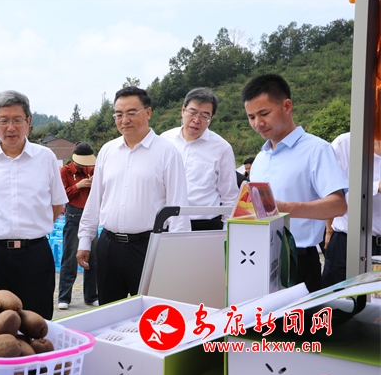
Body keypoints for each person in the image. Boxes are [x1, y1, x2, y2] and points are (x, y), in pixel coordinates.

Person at [77, 86, 190, 306]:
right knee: (109, 311)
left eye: (131, 112)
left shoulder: (167, 152)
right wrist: (85, 240)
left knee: (151, 312)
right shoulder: (108, 151)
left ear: (148, 113)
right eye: (119, 114)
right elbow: (95, 199)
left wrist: (176, 253)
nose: (124, 119)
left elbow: (178, 206)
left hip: (148, 247)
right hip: (108, 246)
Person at [0, 90, 67, 320]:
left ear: (28, 122)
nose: (11, 127)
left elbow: (57, 206)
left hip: (34, 255)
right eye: (4, 120)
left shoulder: (45, 157)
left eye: (17, 120)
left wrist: (32, 227)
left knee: (37, 322)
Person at [242, 73, 347, 292]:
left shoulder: (316, 150)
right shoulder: (260, 158)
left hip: (298, 261)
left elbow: (338, 205)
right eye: (251, 117)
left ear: (287, 106)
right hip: (258, 257)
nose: (258, 123)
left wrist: (286, 208)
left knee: (300, 316)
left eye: (264, 113)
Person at [161, 87, 239, 231]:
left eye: (204, 116)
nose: (197, 120)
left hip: (204, 226)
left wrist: (227, 232)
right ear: (183, 110)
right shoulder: (164, 140)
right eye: (192, 112)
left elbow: (230, 196)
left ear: (212, 118)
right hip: (167, 223)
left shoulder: (222, 148)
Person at [322, 133, 381, 287]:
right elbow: (330, 191)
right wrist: (329, 230)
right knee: (336, 296)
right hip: (348, 243)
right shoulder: (345, 144)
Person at [57, 142, 99, 310]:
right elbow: (61, 196)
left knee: (93, 257)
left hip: (91, 214)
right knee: (70, 257)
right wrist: (77, 186)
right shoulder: (65, 171)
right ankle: (64, 297)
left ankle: (91, 295)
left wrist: (95, 182)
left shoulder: (91, 169)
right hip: (73, 215)